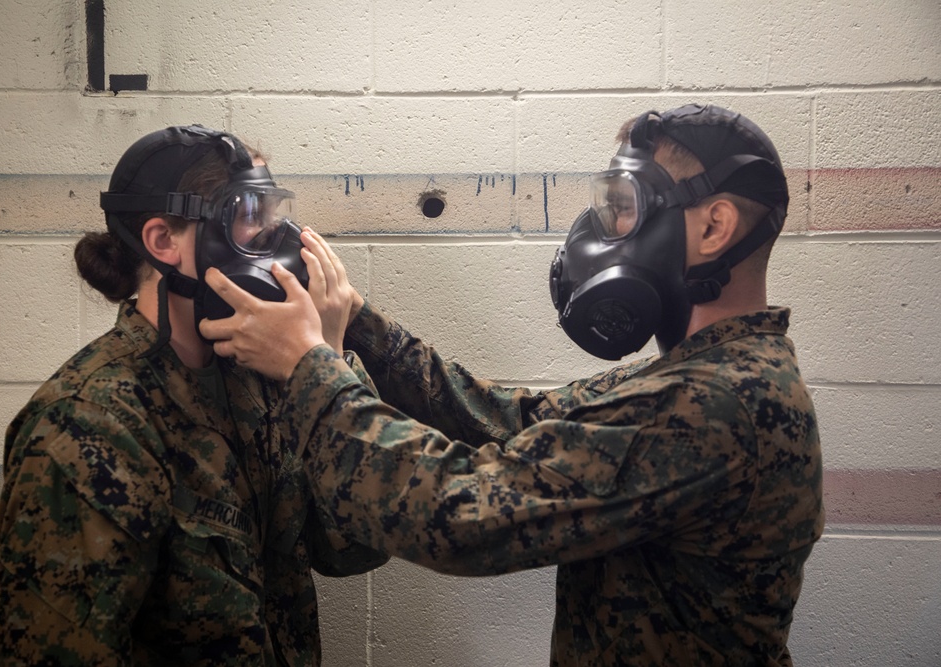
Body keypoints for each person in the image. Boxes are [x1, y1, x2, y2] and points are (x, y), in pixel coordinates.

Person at [199, 104, 824, 665]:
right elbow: (506, 418)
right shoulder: (699, 375)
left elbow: (457, 512)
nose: (607, 230)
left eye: (627, 207)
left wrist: (311, 365)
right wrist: (356, 325)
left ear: (714, 228)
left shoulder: (718, 403)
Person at [0, 125, 387, 666]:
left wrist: (328, 360)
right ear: (163, 242)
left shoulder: (264, 376)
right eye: (249, 218)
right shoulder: (87, 426)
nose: (278, 246)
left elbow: (352, 548)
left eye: (273, 218)